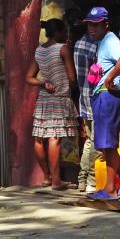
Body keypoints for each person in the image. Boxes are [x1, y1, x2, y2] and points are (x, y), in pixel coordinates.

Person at [74, 7, 120, 193]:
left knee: (107, 145)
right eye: (89, 24)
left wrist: (109, 78)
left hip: (107, 95)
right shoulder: (107, 40)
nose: (91, 28)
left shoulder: (109, 41)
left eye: (95, 25)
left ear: (105, 24)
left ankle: (110, 188)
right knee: (106, 146)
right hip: (104, 96)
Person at [25, 18, 79, 190]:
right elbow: (72, 78)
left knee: (39, 138)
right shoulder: (63, 49)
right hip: (59, 99)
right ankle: (56, 181)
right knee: (54, 138)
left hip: (43, 101)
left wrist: (43, 83)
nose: (66, 35)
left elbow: (29, 77)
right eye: (64, 32)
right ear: (58, 33)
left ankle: (47, 177)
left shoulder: (39, 50)